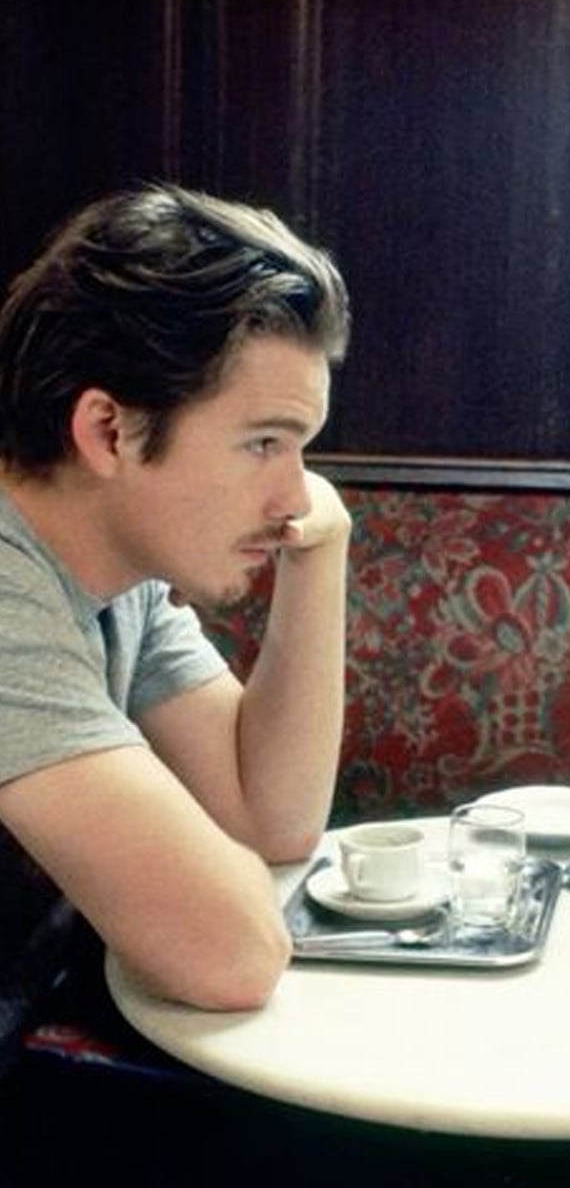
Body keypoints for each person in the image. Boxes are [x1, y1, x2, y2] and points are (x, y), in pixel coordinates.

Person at [0, 184, 351, 1011]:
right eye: (263, 443)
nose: (296, 496)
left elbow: (271, 819)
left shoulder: (122, 577)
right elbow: (231, 955)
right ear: (108, 431)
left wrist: (322, 556)